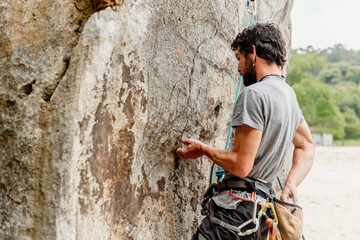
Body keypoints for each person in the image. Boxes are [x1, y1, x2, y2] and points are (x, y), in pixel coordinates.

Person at [176, 23, 315, 239]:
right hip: (259, 220)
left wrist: (204, 149)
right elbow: (306, 145)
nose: (238, 68)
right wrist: (290, 184)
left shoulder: (255, 94)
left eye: (240, 57)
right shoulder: (289, 96)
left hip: (233, 216)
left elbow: (241, 165)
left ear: (254, 52)